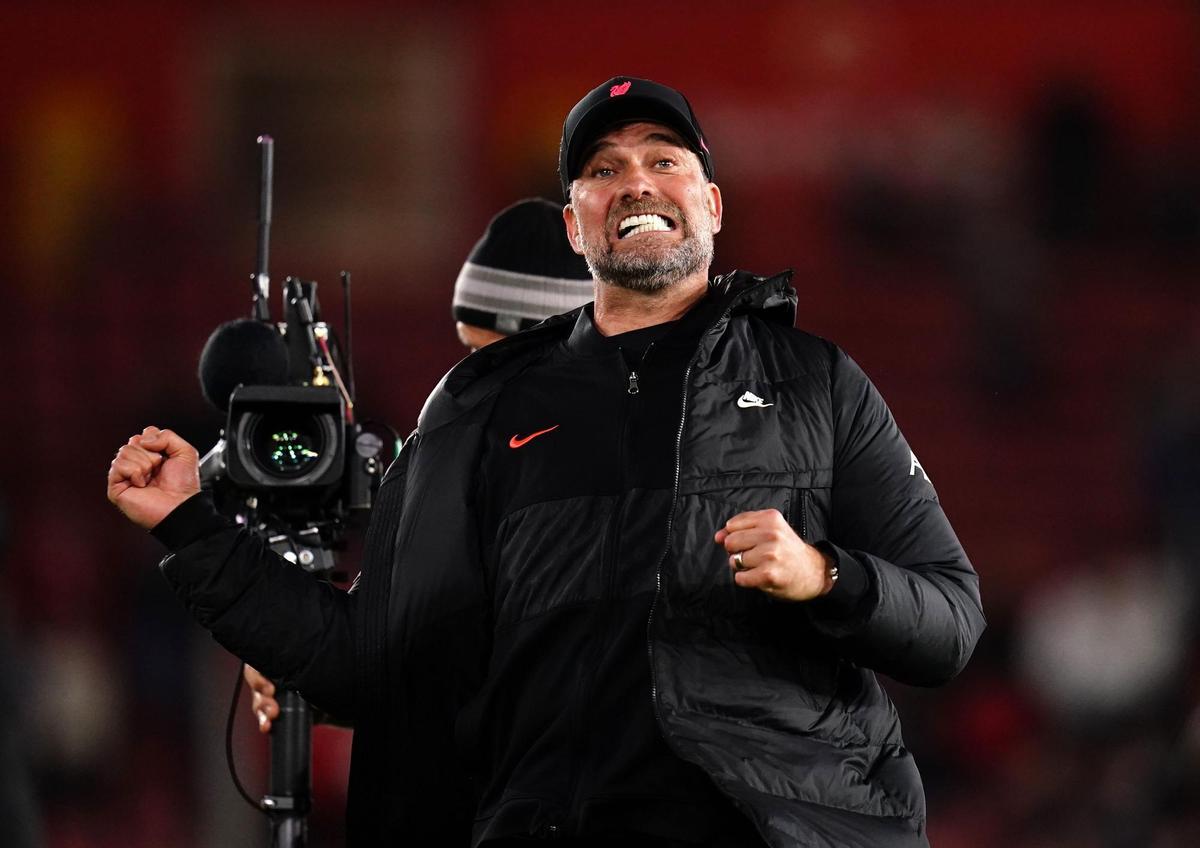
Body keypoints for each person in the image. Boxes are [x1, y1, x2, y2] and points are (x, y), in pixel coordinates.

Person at [109, 77, 985, 847]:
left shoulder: (817, 383)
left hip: (783, 826)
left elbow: (949, 620)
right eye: (602, 170)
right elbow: (373, 660)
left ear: (713, 204)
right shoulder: (478, 406)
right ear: (574, 225)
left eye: (664, 158)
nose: (635, 180)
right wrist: (191, 524)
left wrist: (825, 575)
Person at [247, 195, 594, 731]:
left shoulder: (629, 471)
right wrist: (326, 683)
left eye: (496, 356)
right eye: (470, 354)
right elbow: (442, 668)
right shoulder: (465, 466)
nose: (474, 380)